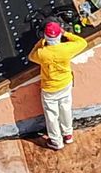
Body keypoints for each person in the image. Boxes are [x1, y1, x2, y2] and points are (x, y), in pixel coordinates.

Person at [29, 21, 87, 150]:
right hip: (65, 83)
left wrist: (41, 42)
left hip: (49, 89)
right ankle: (68, 134)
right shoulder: (66, 48)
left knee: (51, 115)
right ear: (59, 36)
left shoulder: (42, 53)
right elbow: (83, 42)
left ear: (46, 36)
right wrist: (66, 33)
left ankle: (56, 141)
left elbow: (31, 56)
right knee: (65, 108)